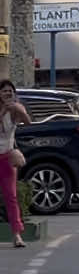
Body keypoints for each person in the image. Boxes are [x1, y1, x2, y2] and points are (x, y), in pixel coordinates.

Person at [0, 79, 31, 249]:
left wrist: (20, 111)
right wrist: (4, 109)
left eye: (10, 91)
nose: (8, 93)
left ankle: (17, 235)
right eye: (4, 91)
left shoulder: (15, 109)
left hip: (7, 156)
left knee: (11, 197)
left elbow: (28, 122)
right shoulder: (3, 109)